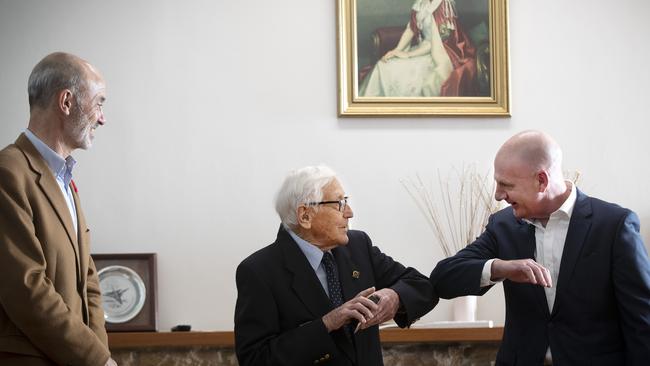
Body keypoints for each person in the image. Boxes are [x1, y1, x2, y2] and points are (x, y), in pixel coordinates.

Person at [430, 130, 650, 365]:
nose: (497, 195)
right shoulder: (503, 225)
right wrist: (501, 268)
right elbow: (443, 277)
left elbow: (642, 322)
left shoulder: (614, 225)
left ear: (541, 180)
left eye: (506, 184)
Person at [235, 166, 436, 366]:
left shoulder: (358, 246)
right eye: (339, 203)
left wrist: (394, 297)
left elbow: (422, 285)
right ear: (305, 216)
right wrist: (327, 324)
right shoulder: (258, 271)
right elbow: (255, 359)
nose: (349, 212)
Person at [0, 52, 117, 366]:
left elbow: (89, 280)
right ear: (66, 102)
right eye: (100, 103)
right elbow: (26, 287)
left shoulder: (64, 179)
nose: (102, 118)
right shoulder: (8, 171)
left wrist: (98, 355)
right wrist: (96, 360)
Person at [359, 0, 478, 97]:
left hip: (438, 53)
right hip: (422, 48)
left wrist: (409, 55)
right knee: (383, 66)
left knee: (415, 79)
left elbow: (439, 43)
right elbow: (411, 28)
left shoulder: (442, 5)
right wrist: (397, 50)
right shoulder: (421, 3)